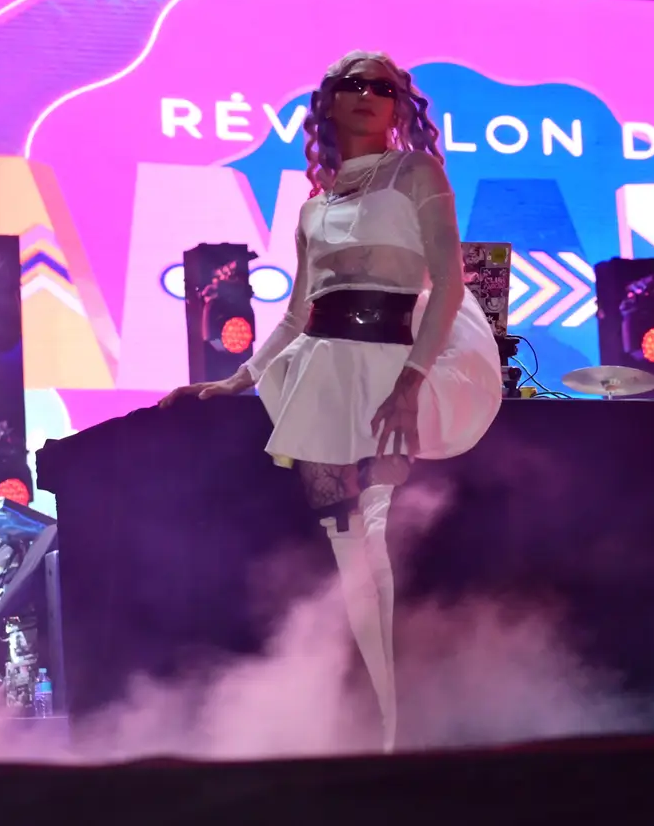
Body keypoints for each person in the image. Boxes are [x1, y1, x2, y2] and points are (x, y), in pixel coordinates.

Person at [160, 50, 502, 752]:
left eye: (383, 86)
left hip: (389, 368)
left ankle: (402, 725)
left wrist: (411, 379)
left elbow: (449, 282)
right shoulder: (313, 207)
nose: (369, 94)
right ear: (330, 102)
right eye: (354, 84)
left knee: (381, 540)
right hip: (322, 374)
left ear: (398, 104)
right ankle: (367, 719)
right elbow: (297, 314)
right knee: (348, 554)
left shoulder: (416, 174)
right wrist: (235, 380)